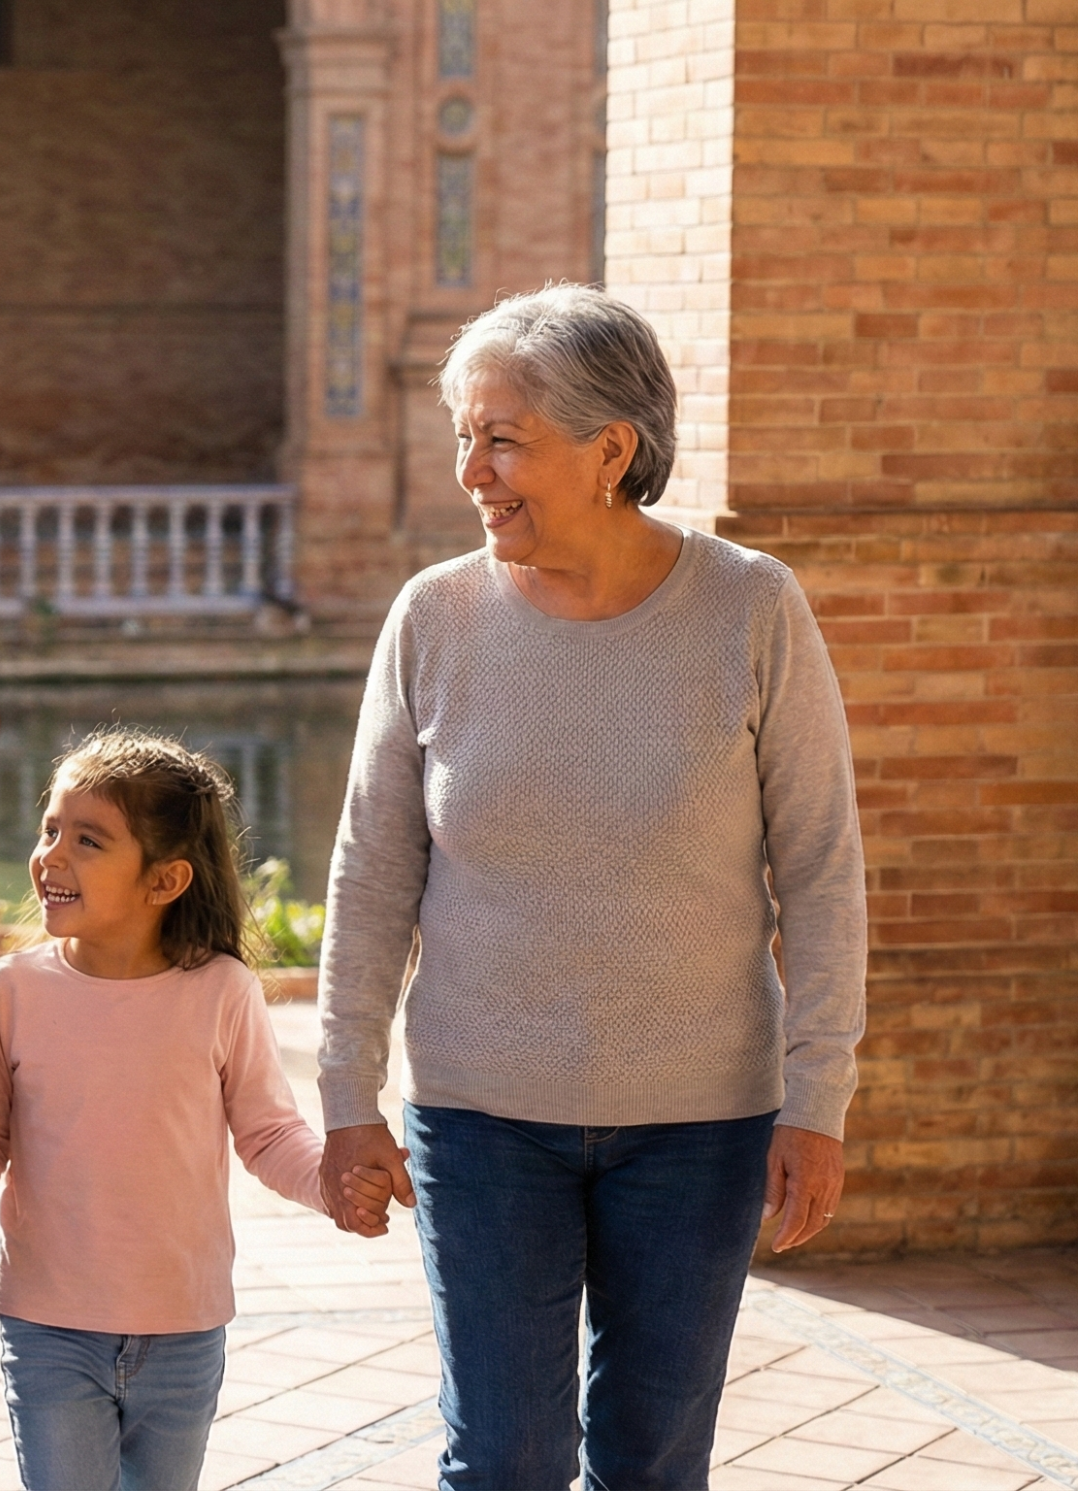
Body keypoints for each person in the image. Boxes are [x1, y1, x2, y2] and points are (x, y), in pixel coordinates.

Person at [313, 284, 868, 1490]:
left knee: (652, 1460)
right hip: (480, 1112)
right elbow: (369, 874)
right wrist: (347, 1092)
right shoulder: (434, 619)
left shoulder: (750, 607)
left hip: (700, 1121)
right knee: (502, 1457)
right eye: (464, 434)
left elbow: (821, 869)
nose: (472, 469)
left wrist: (815, 1097)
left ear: (610, 449)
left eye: (501, 437)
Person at [0, 728, 389, 1491]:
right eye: (50, 829)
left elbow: (268, 1133)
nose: (51, 855)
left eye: (88, 839)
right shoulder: (12, 990)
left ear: (165, 880)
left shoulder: (220, 990)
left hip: (184, 1326)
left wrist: (330, 1183)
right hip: (47, 1321)